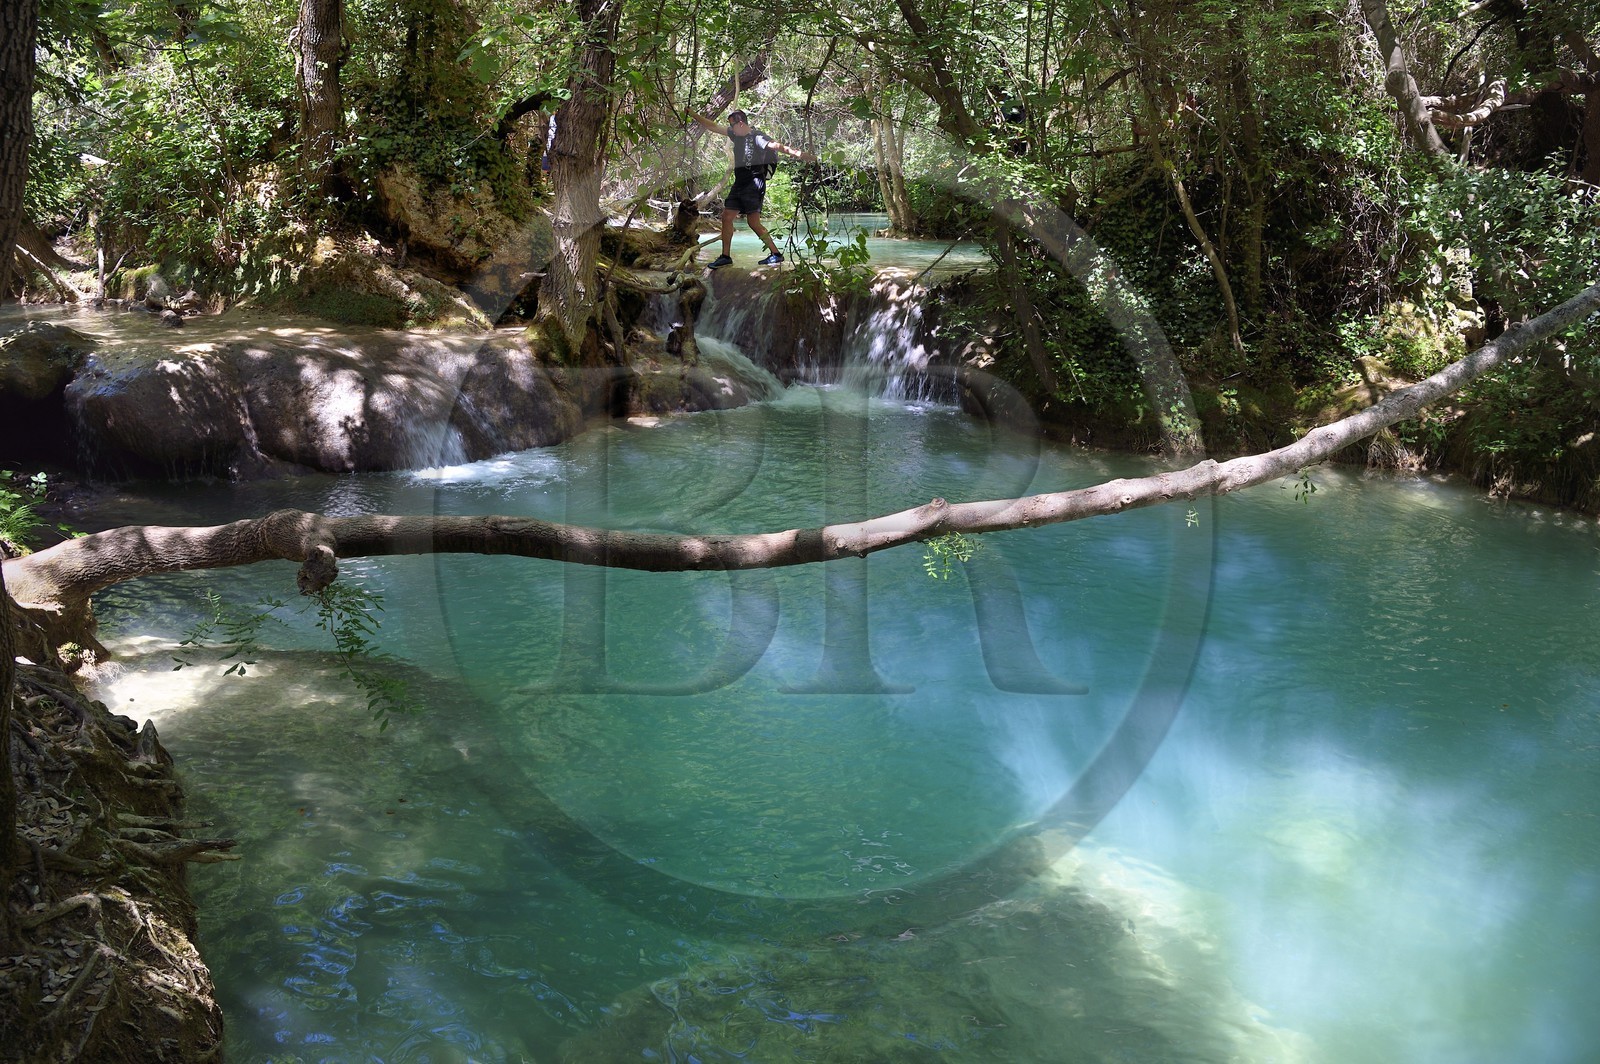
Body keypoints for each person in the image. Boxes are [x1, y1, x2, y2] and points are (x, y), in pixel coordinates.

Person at [687, 108, 816, 269]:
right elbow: (713, 126)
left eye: (732, 125)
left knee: (753, 222)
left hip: (754, 184)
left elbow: (777, 146)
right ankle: (725, 256)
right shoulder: (735, 134)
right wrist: (693, 114)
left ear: (741, 123)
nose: (730, 129)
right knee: (727, 217)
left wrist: (801, 155)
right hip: (739, 184)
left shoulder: (757, 137)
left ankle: (776, 254)